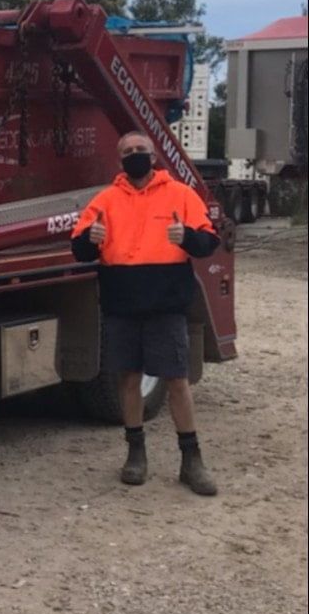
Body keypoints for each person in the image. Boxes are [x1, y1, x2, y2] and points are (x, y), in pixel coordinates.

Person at [70, 131, 221, 495]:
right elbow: (80, 250)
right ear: (119, 159)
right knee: (127, 381)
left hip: (166, 308)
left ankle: (191, 461)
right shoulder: (104, 201)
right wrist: (89, 240)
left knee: (177, 382)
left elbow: (208, 241)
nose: (135, 155)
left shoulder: (181, 195)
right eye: (127, 151)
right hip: (122, 308)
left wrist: (184, 235)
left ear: (154, 156)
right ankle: (135, 455)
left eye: (141, 150)